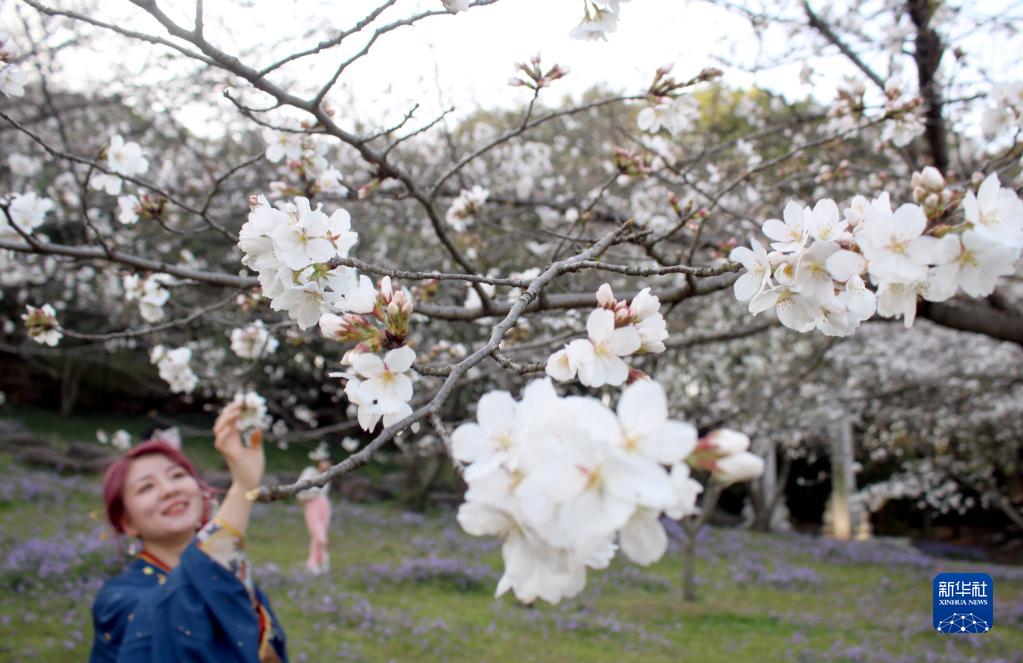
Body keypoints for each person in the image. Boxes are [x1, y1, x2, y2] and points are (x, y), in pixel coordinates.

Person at [89, 401, 288, 662]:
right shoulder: (117, 601)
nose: (169, 489)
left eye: (177, 475)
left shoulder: (229, 574)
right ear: (127, 522)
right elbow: (178, 608)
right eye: (146, 487)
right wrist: (242, 489)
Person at [296, 442, 332, 575]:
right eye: (324, 461)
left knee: (318, 537)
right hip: (311, 504)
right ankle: (321, 560)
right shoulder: (309, 472)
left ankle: (314, 563)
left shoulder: (327, 475)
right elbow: (301, 488)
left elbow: (324, 492)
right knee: (320, 537)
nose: (326, 464)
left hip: (324, 505)